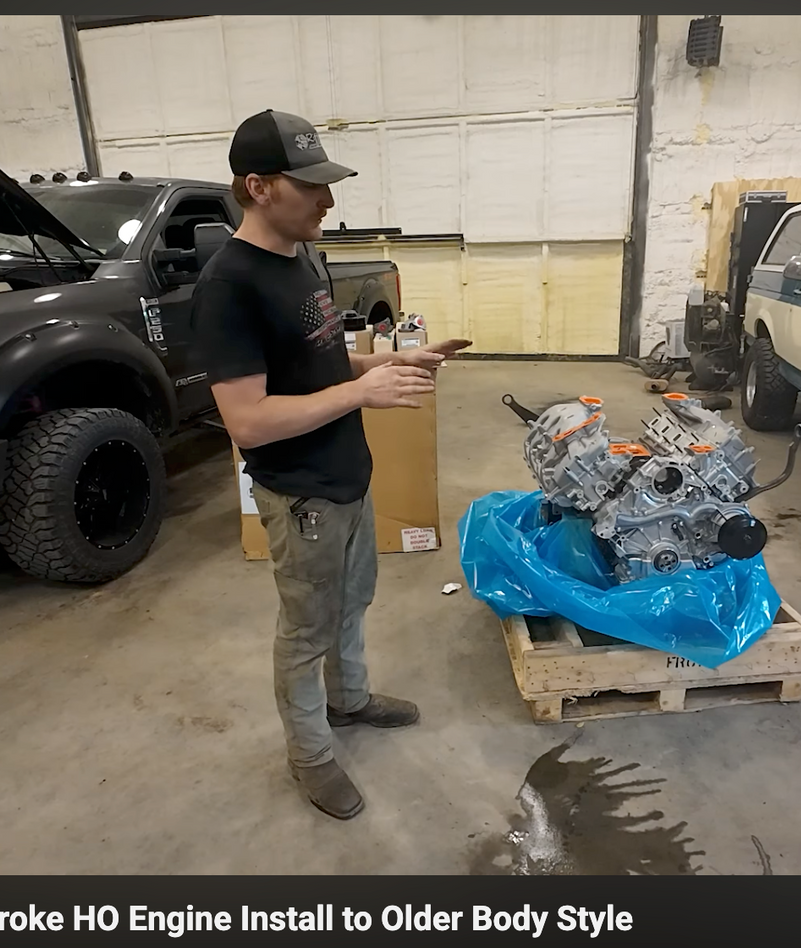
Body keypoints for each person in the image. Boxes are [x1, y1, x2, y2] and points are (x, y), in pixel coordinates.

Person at [193, 109, 470, 820]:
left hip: (348, 474)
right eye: (311, 185)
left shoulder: (305, 259)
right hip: (302, 495)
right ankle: (311, 754)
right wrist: (361, 391)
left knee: (353, 603)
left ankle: (348, 701)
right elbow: (247, 418)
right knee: (305, 628)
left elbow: (316, 361)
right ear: (257, 187)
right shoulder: (229, 285)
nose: (329, 200)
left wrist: (384, 362)